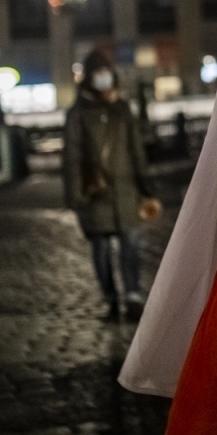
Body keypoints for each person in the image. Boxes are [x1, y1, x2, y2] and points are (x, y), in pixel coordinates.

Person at [62, 51, 163, 321]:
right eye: (99, 74)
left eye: (107, 73)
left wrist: (147, 188)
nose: (104, 79)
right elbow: (71, 157)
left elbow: (136, 151)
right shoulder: (78, 114)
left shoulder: (122, 110)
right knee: (102, 249)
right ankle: (110, 298)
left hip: (126, 191)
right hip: (95, 192)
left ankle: (132, 296)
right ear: (89, 79)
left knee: (131, 245)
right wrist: (75, 196)